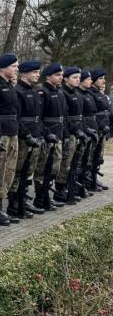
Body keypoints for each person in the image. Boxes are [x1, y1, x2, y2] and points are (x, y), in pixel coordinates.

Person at [0, 53, 20, 226]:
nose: (17, 69)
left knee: (9, 171)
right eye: (14, 66)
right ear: (4, 67)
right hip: (2, 133)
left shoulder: (9, 85)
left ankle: (1, 206)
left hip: (12, 132)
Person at [10, 60, 44, 218]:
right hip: (24, 138)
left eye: (38, 72)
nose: (38, 75)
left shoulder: (34, 91)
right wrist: (26, 135)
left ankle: (23, 199)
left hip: (35, 136)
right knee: (18, 171)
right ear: (24, 73)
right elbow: (17, 118)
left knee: (28, 171)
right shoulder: (18, 91)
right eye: (35, 72)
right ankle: (14, 203)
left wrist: (39, 133)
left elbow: (38, 117)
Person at [34, 63, 66, 210]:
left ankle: (47, 194)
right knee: (43, 167)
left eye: (61, 75)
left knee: (55, 166)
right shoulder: (43, 92)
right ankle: (40, 197)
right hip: (48, 136)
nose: (61, 77)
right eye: (57, 75)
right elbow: (38, 117)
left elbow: (62, 116)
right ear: (48, 76)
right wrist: (47, 134)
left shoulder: (59, 92)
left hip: (58, 135)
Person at [55, 67, 85, 203]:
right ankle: (60, 189)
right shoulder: (63, 93)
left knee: (74, 162)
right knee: (65, 162)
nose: (78, 80)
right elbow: (65, 117)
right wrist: (67, 134)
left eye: (79, 77)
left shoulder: (76, 93)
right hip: (69, 132)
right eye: (74, 77)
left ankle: (67, 185)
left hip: (77, 132)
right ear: (66, 78)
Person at [77, 70, 100, 197]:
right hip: (83, 130)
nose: (91, 81)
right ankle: (78, 184)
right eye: (88, 79)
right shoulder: (79, 94)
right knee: (80, 160)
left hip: (91, 129)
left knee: (89, 159)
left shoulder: (88, 94)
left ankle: (84, 181)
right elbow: (82, 116)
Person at [89, 69, 110, 191]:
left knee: (99, 157)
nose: (103, 81)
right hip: (96, 129)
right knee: (92, 156)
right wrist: (101, 125)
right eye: (100, 78)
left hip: (103, 130)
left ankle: (94, 177)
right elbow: (94, 114)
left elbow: (106, 112)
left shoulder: (100, 94)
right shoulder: (91, 94)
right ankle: (89, 178)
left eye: (103, 78)